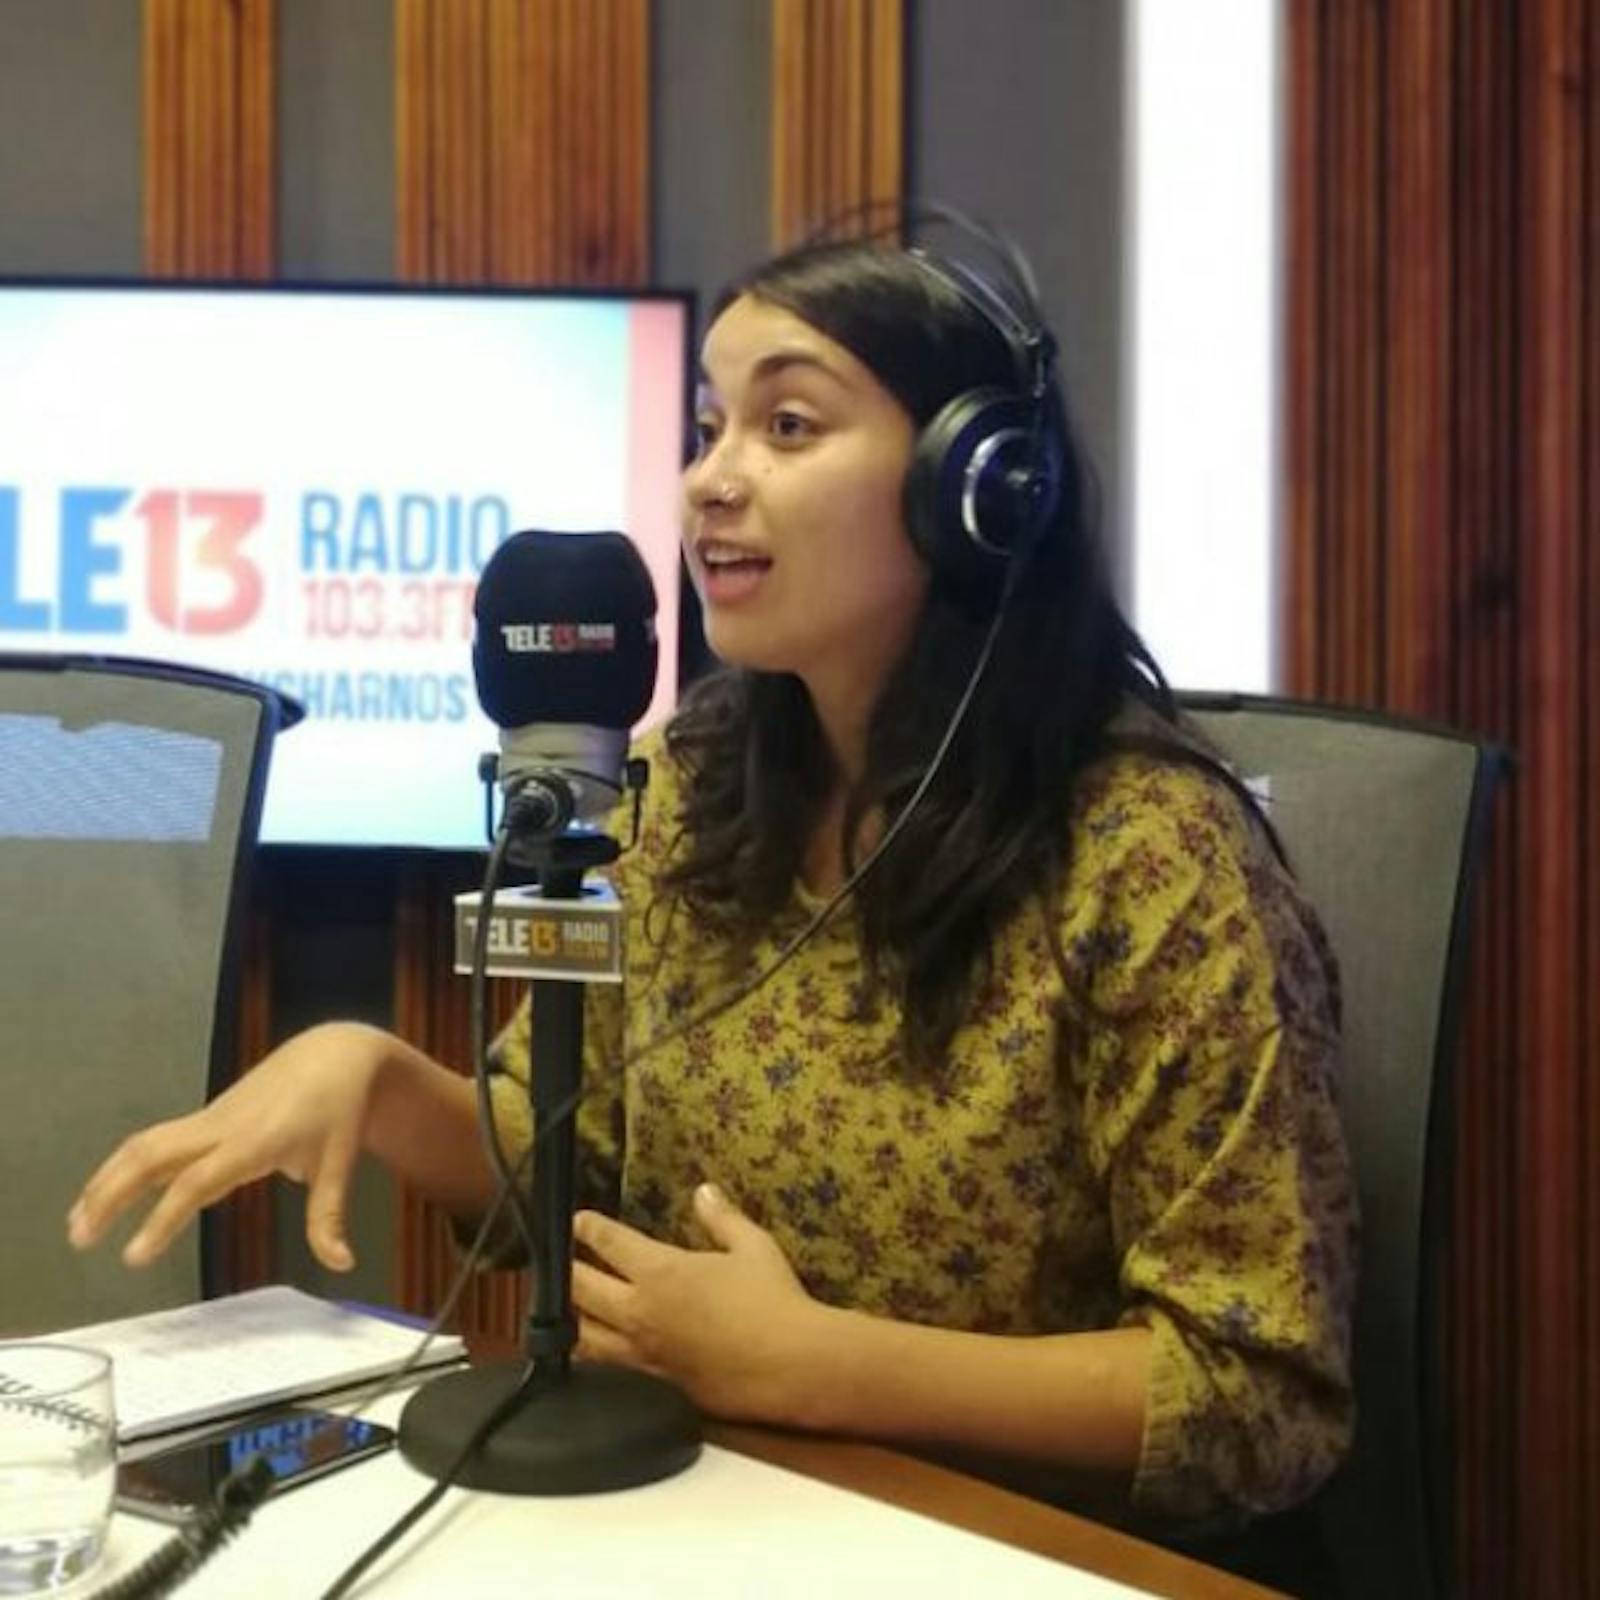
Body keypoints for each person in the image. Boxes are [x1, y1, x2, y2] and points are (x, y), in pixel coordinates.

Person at [68, 223, 1355, 1533]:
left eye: (787, 426)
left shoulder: (1150, 857)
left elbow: (1257, 1393)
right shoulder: (678, 789)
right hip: (696, 1518)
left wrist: (826, 1369)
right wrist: (383, 1083)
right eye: (706, 429)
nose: (710, 483)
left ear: (977, 491)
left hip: (1004, 1551)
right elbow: (569, 1158)